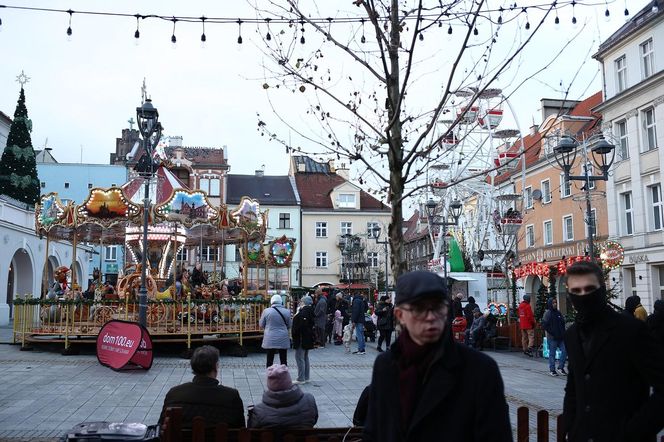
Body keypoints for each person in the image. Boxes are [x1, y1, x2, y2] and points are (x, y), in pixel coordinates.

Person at [363, 271, 512, 441]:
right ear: (400, 315)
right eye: (419, 309)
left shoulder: (479, 369)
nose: (431, 317)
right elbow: (374, 432)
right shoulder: (386, 365)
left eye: (438, 307)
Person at [562, 261, 664, 441]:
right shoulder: (572, 335)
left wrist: (632, 432)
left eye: (589, 289)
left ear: (602, 289)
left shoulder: (631, 330)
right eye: (576, 291)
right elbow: (574, 386)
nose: (583, 295)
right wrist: (570, 427)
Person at [158, 346, 245, 430]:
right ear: (215, 366)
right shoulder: (231, 396)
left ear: (193, 366)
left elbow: (161, 427)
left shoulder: (174, 394)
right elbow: (241, 429)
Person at [247, 364, 318, 429]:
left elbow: (253, 430)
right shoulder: (309, 400)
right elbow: (313, 420)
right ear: (289, 381)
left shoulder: (259, 411)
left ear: (269, 385)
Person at [259, 295, 291, 367]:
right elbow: (289, 325)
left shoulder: (266, 311)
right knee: (283, 359)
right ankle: (284, 375)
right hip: (283, 337)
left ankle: (270, 375)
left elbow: (261, 324)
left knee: (269, 359)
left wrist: (267, 327)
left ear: (271, 302)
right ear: (281, 302)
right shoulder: (287, 311)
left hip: (270, 337)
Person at [541, 297, 567, 377]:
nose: (555, 304)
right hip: (552, 338)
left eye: (555, 302)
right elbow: (544, 325)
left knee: (565, 350)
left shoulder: (558, 313)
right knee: (552, 354)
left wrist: (563, 332)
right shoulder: (548, 313)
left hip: (561, 337)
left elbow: (562, 323)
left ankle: (560, 367)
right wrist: (552, 332)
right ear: (550, 304)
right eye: (553, 303)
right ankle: (552, 370)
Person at [291, 295, 314, 384]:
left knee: (299, 358)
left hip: (301, 338)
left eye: (301, 301)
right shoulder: (310, 311)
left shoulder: (303, 312)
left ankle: (301, 378)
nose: (300, 303)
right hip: (308, 338)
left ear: (304, 302)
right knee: (305, 357)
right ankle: (306, 377)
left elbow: (299, 326)